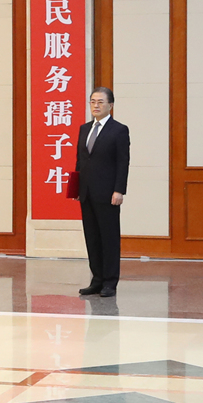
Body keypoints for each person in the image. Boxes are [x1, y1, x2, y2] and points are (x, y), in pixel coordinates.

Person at [74, 86, 129, 298]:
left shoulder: (119, 130)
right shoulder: (84, 129)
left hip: (108, 194)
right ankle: (96, 280)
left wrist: (119, 190)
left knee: (109, 238)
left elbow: (123, 162)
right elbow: (80, 161)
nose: (95, 105)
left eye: (100, 102)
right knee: (92, 238)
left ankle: (109, 282)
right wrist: (77, 187)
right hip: (86, 193)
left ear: (110, 106)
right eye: (92, 101)